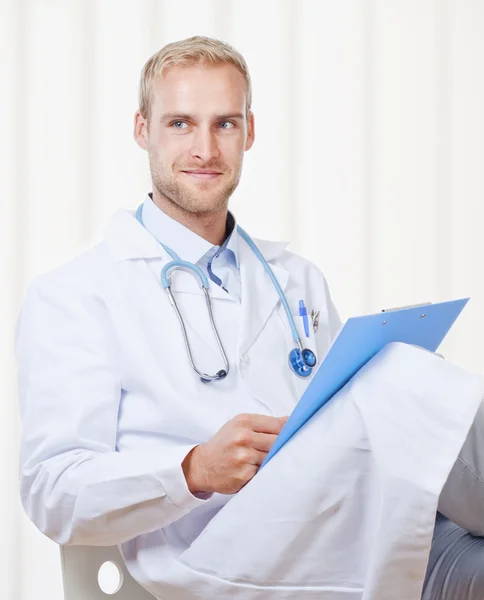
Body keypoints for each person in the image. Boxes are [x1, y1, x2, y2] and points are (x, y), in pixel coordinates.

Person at [15, 35, 484, 600]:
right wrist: (192, 470)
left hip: (366, 537)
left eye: (225, 124)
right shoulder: (75, 295)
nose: (205, 150)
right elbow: (52, 490)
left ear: (250, 132)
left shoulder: (296, 279)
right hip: (221, 557)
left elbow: (340, 424)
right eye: (181, 124)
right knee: (402, 385)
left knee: (397, 379)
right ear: (142, 130)